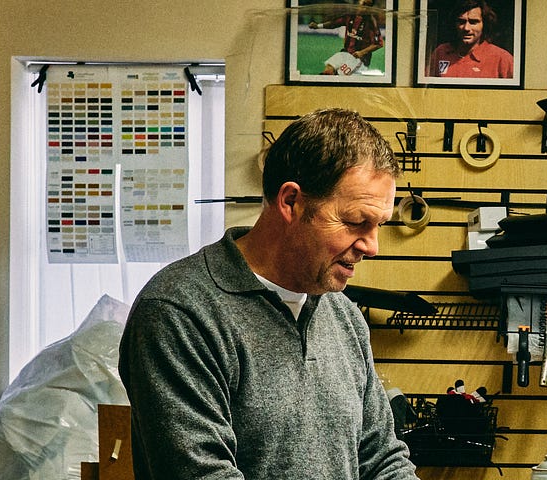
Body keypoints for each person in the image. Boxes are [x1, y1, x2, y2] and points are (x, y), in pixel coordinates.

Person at [119, 108, 419, 480]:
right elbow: (202, 474)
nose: (372, 246)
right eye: (356, 222)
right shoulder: (179, 313)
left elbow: (381, 458)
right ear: (291, 202)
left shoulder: (343, 316)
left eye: (379, 226)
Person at [427, 0, 514, 78]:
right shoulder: (441, 52)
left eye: (473, 22)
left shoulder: (501, 58)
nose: (466, 28)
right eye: (461, 22)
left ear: (485, 25)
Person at [308, 0, 386, 76]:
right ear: (357, 3)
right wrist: (318, 26)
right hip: (345, 53)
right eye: (364, 4)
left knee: (339, 76)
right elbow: (334, 23)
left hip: (359, 59)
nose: (365, 8)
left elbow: (379, 44)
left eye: (368, 6)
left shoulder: (371, 22)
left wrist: (362, 52)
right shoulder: (350, 16)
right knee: (328, 70)